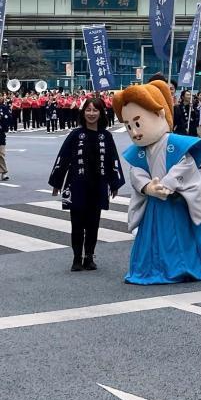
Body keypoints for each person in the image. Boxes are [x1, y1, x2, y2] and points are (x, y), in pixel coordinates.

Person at [114, 80, 201, 285]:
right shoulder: (139, 151)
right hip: (156, 204)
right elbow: (136, 172)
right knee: (159, 239)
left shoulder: (175, 143)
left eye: (138, 123)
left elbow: (185, 166)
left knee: (183, 236)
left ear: (159, 115)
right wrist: (148, 187)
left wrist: (166, 184)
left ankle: (189, 266)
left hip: (179, 202)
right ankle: (158, 268)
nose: (134, 131)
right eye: (129, 126)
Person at [47, 95, 125, 272]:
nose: (91, 113)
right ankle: (76, 258)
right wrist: (57, 182)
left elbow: (113, 160)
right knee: (77, 223)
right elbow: (63, 158)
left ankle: (89, 256)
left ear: (101, 113)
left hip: (98, 186)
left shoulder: (106, 136)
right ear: (83, 113)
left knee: (93, 223)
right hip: (77, 185)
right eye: (88, 110)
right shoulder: (76, 135)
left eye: (95, 110)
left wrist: (114, 184)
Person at [0, 95, 9, 180]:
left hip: (1, 134)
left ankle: (3, 172)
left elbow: (8, 118)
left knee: (1, 154)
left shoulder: (4, 108)